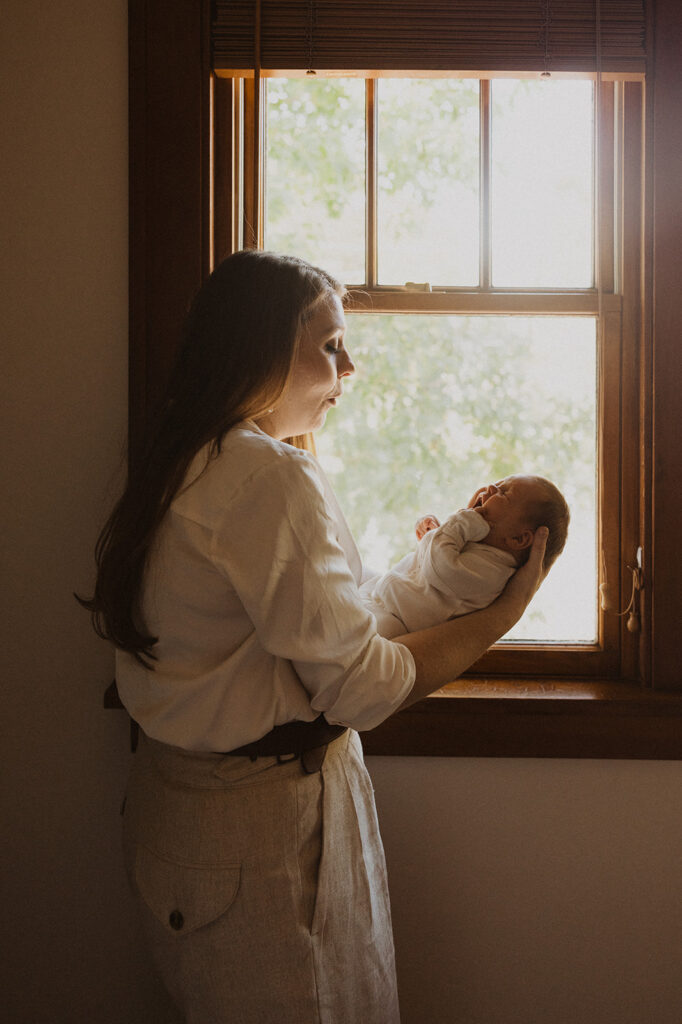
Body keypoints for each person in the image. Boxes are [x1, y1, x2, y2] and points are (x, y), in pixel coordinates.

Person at [80, 249, 548, 1024]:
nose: (350, 366)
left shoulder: (180, 457)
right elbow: (358, 687)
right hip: (260, 830)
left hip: (181, 815)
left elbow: (302, 630)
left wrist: (423, 575)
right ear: (260, 346)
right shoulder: (268, 476)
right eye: (331, 345)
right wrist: (500, 617)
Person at [360, 475, 569, 639]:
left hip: (395, 623)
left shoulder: (492, 573)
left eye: (504, 493)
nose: (490, 489)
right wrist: (434, 534)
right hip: (382, 599)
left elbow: (440, 569)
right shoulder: (479, 551)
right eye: (496, 484)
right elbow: (435, 567)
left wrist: (456, 524)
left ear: (518, 539)